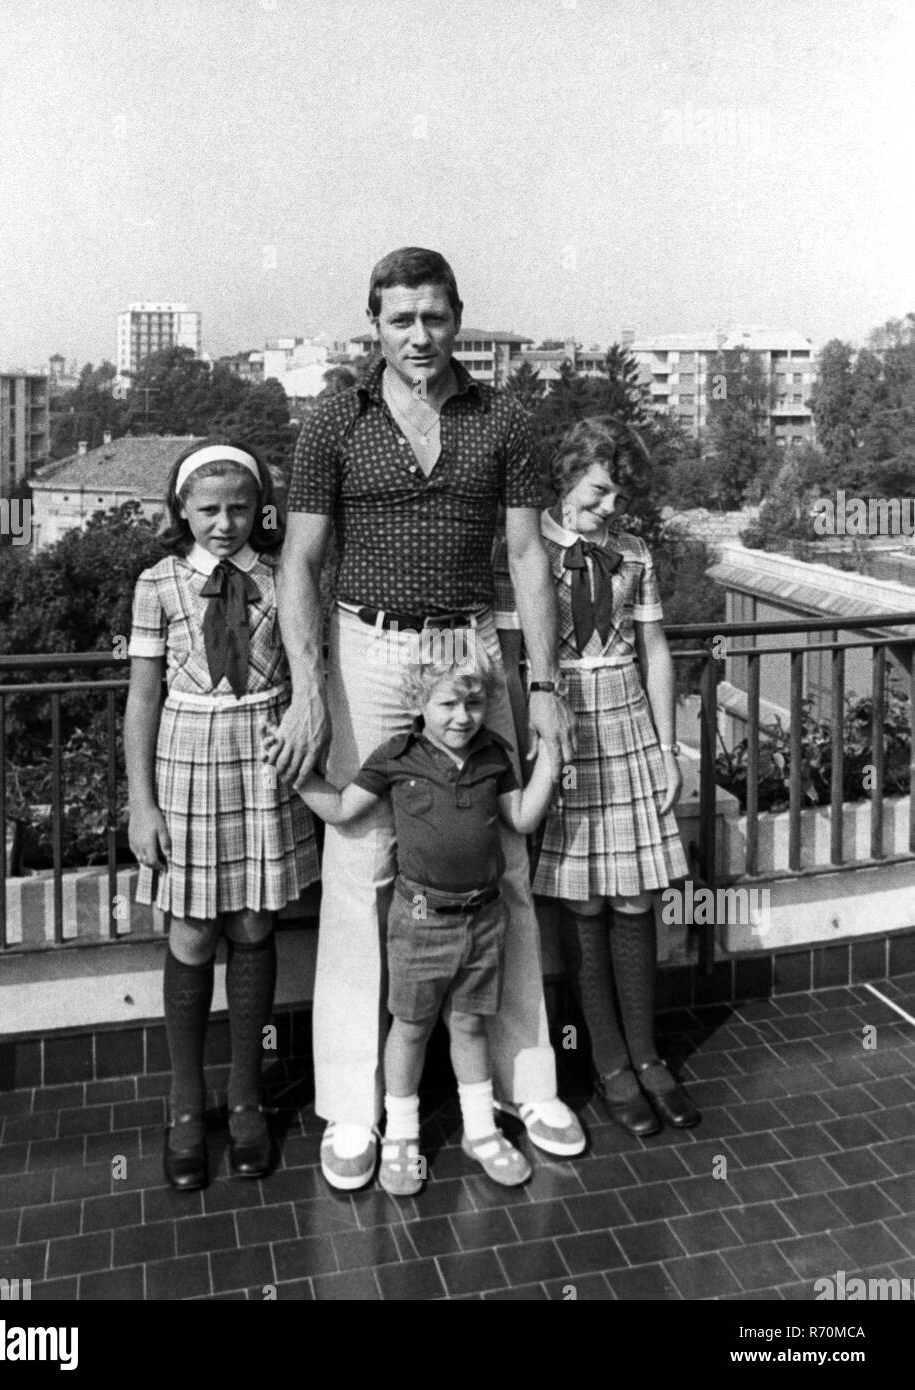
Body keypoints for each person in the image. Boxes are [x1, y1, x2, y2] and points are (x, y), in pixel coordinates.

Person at [266, 246, 586, 1190]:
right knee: (360, 859)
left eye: (434, 317)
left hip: (468, 653)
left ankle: (529, 1086)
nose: (419, 336)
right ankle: (354, 1110)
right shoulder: (334, 419)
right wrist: (308, 684)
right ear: (375, 323)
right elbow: (299, 565)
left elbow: (528, 557)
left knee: (503, 860)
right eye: (400, 319)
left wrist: (543, 685)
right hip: (367, 652)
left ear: (457, 316)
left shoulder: (505, 421)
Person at [291, 638, 559, 1194]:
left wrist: (551, 761)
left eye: (475, 704)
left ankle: (481, 1130)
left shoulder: (492, 757)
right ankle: (403, 1135)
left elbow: (523, 820)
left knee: (469, 1025)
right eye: (447, 705)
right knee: (409, 1029)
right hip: (419, 923)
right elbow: (342, 810)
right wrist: (297, 774)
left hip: (484, 921)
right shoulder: (397, 756)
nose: (463, 717)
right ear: (419, 701)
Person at [494, 416, 701, 1136]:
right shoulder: (525, 553)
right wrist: (531, 750)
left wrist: (668, 747)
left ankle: (648, 1059)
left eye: (618, 496)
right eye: (600, 491)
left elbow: (656, 652)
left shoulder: (632, 555)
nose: (611, 509)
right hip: (562, 724)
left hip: (626, 722)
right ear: (566, 475)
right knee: (583, 902)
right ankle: (609, 1065)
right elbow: (515, 665)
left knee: (637, 898)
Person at [125, 439, 319, 1191]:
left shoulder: (279, 579)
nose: (225, 522)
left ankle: (245, 1097)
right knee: (194, 929)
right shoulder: (158, 585)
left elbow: (312, 672)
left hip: (263, 761)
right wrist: (142, 804)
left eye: (240, 507)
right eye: (208, 509)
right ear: (181, 510)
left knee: (252, 925)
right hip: (186, 763)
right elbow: (143, 698)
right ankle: (183, 1100)